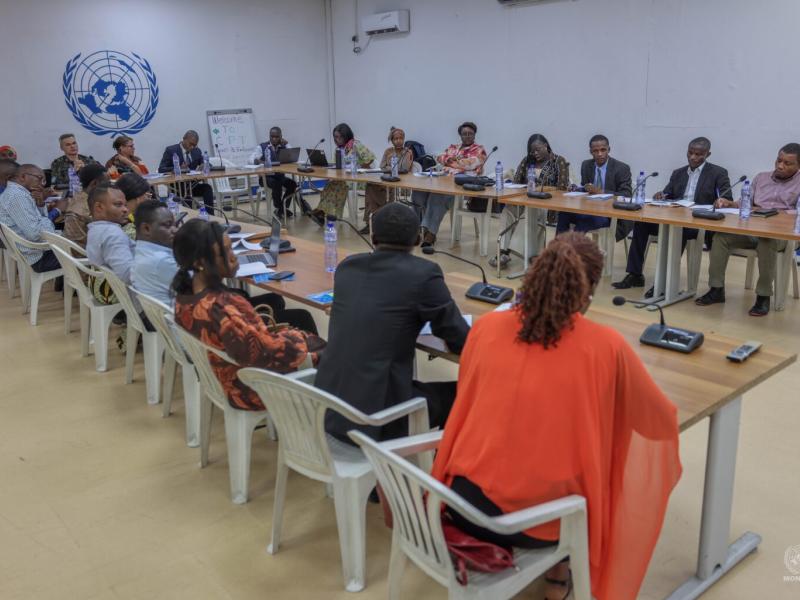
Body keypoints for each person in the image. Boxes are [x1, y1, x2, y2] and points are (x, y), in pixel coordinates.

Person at [431, 233, 682, 600]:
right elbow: (657, 422)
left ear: (534, 276)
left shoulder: (485, 328)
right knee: (570, 476)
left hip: (460, 502)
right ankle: (559, 576)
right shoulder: (606, 346)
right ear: (588, 291)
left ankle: (556, 574)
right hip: (531, 527)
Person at [316, 202, 470, 444]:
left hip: (328, 407)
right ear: (418, 239)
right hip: (374, 420)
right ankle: (438, 476)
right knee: (464, 395)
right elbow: (459, 338)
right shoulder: (424, 274)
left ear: (373, 237)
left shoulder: (346, 267)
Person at [172, 219, 320, 411]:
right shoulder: (222, 309)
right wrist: (301, 341)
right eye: (224, 253)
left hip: (222, 375)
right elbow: (265, 354)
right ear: (199, 263)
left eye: (231, 249)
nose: (233, 257)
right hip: (250, 388)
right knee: (333, 354)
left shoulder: (185, 298)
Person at [613, 137, 732, 297]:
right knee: (641, 224)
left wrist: (722, 201)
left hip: (696, 224)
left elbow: (726, 197)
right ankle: (635, 275)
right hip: (675, 218)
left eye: (699, 154)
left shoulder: (718, 173)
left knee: (678, 230)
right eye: (690, 153)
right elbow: (668, 193)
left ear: (708, 154)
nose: (693, 157)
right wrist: (661, 195)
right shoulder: (678, 173)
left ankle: (665, 282)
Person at [696, 143, 800, 316]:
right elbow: (744, 202)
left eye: (788, 163)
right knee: (721, 237)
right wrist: (729, 203)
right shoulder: (761, 178)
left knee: (767, 241)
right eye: (778, 160)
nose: (780, 166)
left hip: (783, 236)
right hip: (753, 231)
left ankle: (763, 296)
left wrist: (778, 214)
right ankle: (716, 289)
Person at [491, 133, 570, 268]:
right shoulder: (527, 160)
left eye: (538, 149)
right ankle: (503, 250)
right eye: (532, 151)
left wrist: (543, 189)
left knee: (530, 212)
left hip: (548, 203)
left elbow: (562, 188)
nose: (535, 153)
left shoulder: (558, 161)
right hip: (525, 199)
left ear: (546, 146)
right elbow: (516, 182)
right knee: (508, 209)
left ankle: (511, 251)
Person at [411, 122, 487, 248]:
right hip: (442, 179)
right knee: (418, 193)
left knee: (437, 196)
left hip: (459, 185)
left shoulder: (479, 150)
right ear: (460, 135)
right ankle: (417, 229)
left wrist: (450, 161)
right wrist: (454, 161)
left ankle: (431, 233)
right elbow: (439, 157)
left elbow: (469, 164)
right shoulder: (453, 147)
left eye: (470, 134)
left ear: (474, 135)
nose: (467, 136)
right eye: (464, 134)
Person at [556, 134, 631, 234]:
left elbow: (627, 195)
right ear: (591, 152)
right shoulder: (586, 165)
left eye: (603, 150)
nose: (600, 154)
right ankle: (557, 245)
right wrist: (576, 189)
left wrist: (601, 192)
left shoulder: (621, 168)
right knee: (564, 212)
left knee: (590, 220)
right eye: (595, 151)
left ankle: (570, 243)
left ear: (609, 149)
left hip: (609, 214)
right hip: (588, 210)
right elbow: (585, 188)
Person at [0, 164, 61, 273]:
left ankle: (64, 283)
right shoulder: (17, 196)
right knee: (82, 249)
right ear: (23, 177)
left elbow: (36, 223)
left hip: (33, 252)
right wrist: (57, 211)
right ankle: (79, 287)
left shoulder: (17, 193)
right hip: (39, 257)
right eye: (40, 179)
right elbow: (35, 234)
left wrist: (41, 205)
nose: (43, 185)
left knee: (73, 241)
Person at [312, 123, 376, 221]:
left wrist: (359, 168)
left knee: (339, 185)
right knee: (330, 185)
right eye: (334, 137)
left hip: (359, 179)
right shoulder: (338, 149)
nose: (336, 140)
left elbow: (370, 158)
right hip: (345, 178)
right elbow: (336, 166)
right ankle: (323, 213)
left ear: (345, 135)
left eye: (338, 137)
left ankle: (329, 214)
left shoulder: (355, 144)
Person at [86, 185, 135, 304]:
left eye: (125, 205)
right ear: (99, 207)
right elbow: (128, 275)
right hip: (115, 293)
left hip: (100, 287)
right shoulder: (113, 235)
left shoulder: (96, 228)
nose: (125, 210)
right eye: (118, 205)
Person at [361, 126, 414, 234]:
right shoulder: (388, 151)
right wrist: (390, 168)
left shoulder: (407, 152)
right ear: (392, 140)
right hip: (387, 178)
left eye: (401, 138)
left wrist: (390, 168)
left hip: (401, 181)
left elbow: (404, 169)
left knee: (374, 192)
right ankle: (373, 220)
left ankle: (375, 220)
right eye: (396, 138)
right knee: (370, 185)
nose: (398, 141)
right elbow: (382, 166)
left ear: (404, 139)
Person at [131, 200, 178, 307]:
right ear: (146, 229)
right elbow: (200, 286)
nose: (175, 230)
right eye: (167, 225)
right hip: (171, 321)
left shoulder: (141, 250)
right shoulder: (162, 261)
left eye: (175, 225)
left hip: (154, 318)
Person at [157, 130, 216, 214]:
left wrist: (204, 165)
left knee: (207, 188)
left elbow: (207, 163)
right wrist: (177, 168)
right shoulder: (171, 150)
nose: (192, 147)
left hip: (192, 185)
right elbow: (161, 169)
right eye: (190, 144)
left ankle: (210, 216)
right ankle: (189, 219)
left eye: (194, 145)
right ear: (184, 139)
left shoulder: (196, 151)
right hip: (177, 187)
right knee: (187, 194)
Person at [248, 126, 302, 218]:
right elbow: (250, 159)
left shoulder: (284, 146)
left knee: (292, 184)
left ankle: (282, 209)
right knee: (276, 184)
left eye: (276, 137)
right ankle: (280, 208)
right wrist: (258, 161)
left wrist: (287, 144)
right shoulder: (262, 146)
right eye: (272, 136)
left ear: (281, 137)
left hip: (279, 176)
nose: (274, 139)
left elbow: (293, 157)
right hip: (266, 178)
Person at [63, 164, 109, 248]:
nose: (109, 187)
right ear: (94, 183)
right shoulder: (88, 210)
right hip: (86, 254)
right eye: (107, 183)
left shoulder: (78, 196)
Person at [115, 172, 152, 239]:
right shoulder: (130, 230)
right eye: (146, 195)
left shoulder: (120, 216)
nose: (148, 199)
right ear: (138, 198)